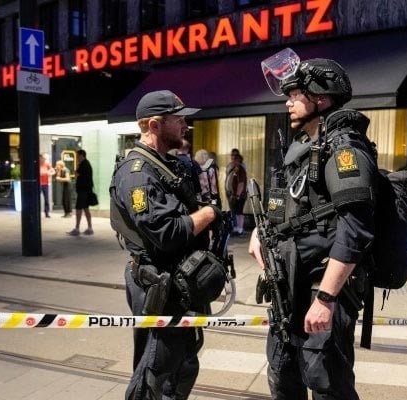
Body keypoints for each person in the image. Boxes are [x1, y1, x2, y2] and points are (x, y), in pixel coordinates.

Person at [248, 57, 376, 399]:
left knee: (327, 386)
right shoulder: (304, 149)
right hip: (289, 289)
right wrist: (260, 232)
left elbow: (355, 228)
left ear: (320, 98)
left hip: (321, 291)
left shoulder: (344, 148)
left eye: (295, 94)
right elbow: (287, 203)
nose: (287, 101)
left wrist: (325, 298)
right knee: (284, 379)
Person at [109, 89, 220, 399]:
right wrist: (209, 214)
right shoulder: (138, 175)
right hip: (158, 284)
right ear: (155, 125)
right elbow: (168, 233)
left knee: (183, 363)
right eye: (179, 119)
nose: (185, 125)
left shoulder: (166, 165)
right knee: (156, 373)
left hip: (178, 283)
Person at [67, 149, 94, 235]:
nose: (77, 158)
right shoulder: (86, 163)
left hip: (83, 190)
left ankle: (77, 228)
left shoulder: (83, 164)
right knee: (86, 209)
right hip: (86, 190)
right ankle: (90, 228)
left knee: (79, 209)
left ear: (82, 155)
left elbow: (76, 174)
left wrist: (76, 171)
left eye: (78, 156)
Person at [227, 153, 247, 235]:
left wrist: (238, 195)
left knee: (239, 212)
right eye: (232, 159)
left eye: (235, 159)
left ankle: (240, 229)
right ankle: (236, 228)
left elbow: (241, 184)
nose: (233, 161)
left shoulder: (241, 170)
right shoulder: (234, 169)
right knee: (235, 212)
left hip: (239, 196)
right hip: (234, 194)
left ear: (239, 160)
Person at [39, 154, 55, 218]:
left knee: (46, 199)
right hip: (39, 184)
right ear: (40, 158)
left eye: (45, 159)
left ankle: (47, 212)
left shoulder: (47, 164)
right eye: (43, 158)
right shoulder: (37, 164)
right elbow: (40, 173)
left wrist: (49, 173)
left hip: (45, 183)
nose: (44, 160)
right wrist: (45, 172)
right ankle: (37, 211)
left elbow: (53, 171)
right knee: (37, 198)